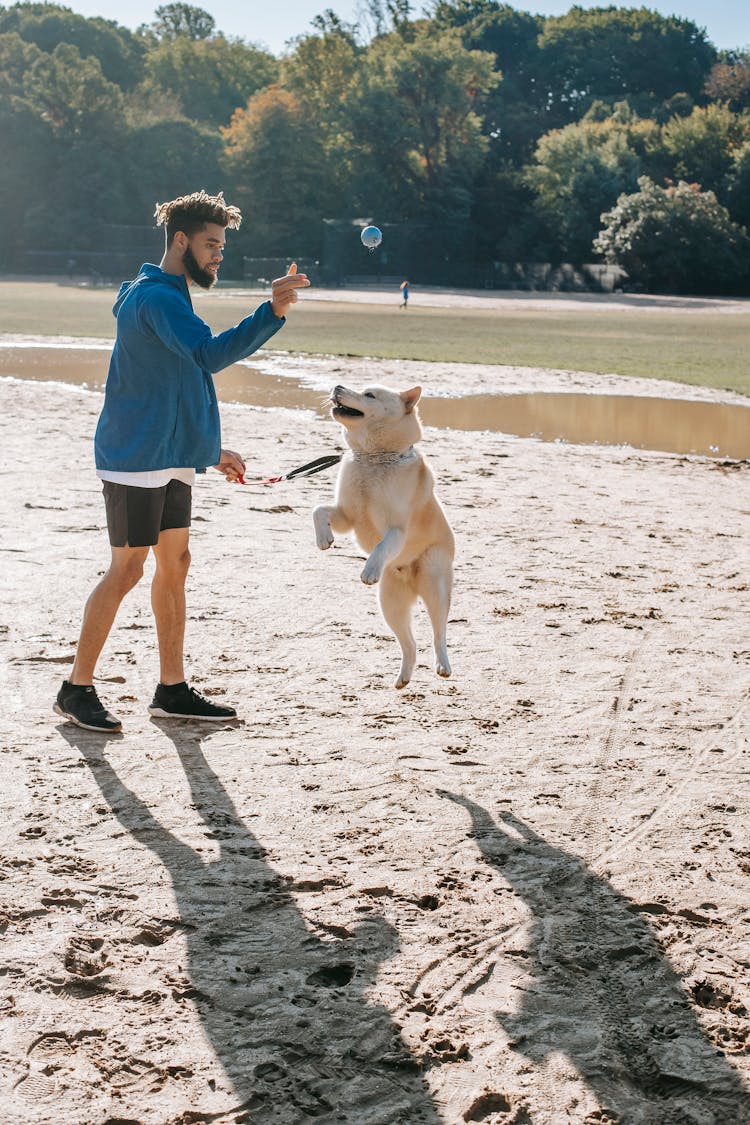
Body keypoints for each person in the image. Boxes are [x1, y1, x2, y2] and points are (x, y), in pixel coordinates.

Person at [54, 189, 309, 733]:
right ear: (180, 240)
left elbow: (172, 381)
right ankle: (75, 689)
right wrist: (273, 311)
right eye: (212, 244)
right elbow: (209, 356)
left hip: (168, 454)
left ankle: (171, 690)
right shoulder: (158, 298)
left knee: (176, 566)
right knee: (127, 570)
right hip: (135, 456)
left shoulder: (163, 291)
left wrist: (207, 451)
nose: (219, 255)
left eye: (222, 245)